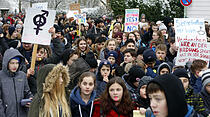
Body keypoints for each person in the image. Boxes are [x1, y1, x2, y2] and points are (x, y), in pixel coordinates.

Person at [0, 48, 33, 117]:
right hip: (7, 113)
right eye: (12, 63)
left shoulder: (22, 75)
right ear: (7, 62)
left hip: (22, 113)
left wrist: (30, 98)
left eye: (17, 63)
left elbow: (27, 92)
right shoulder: (1, 76)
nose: (15, 66)